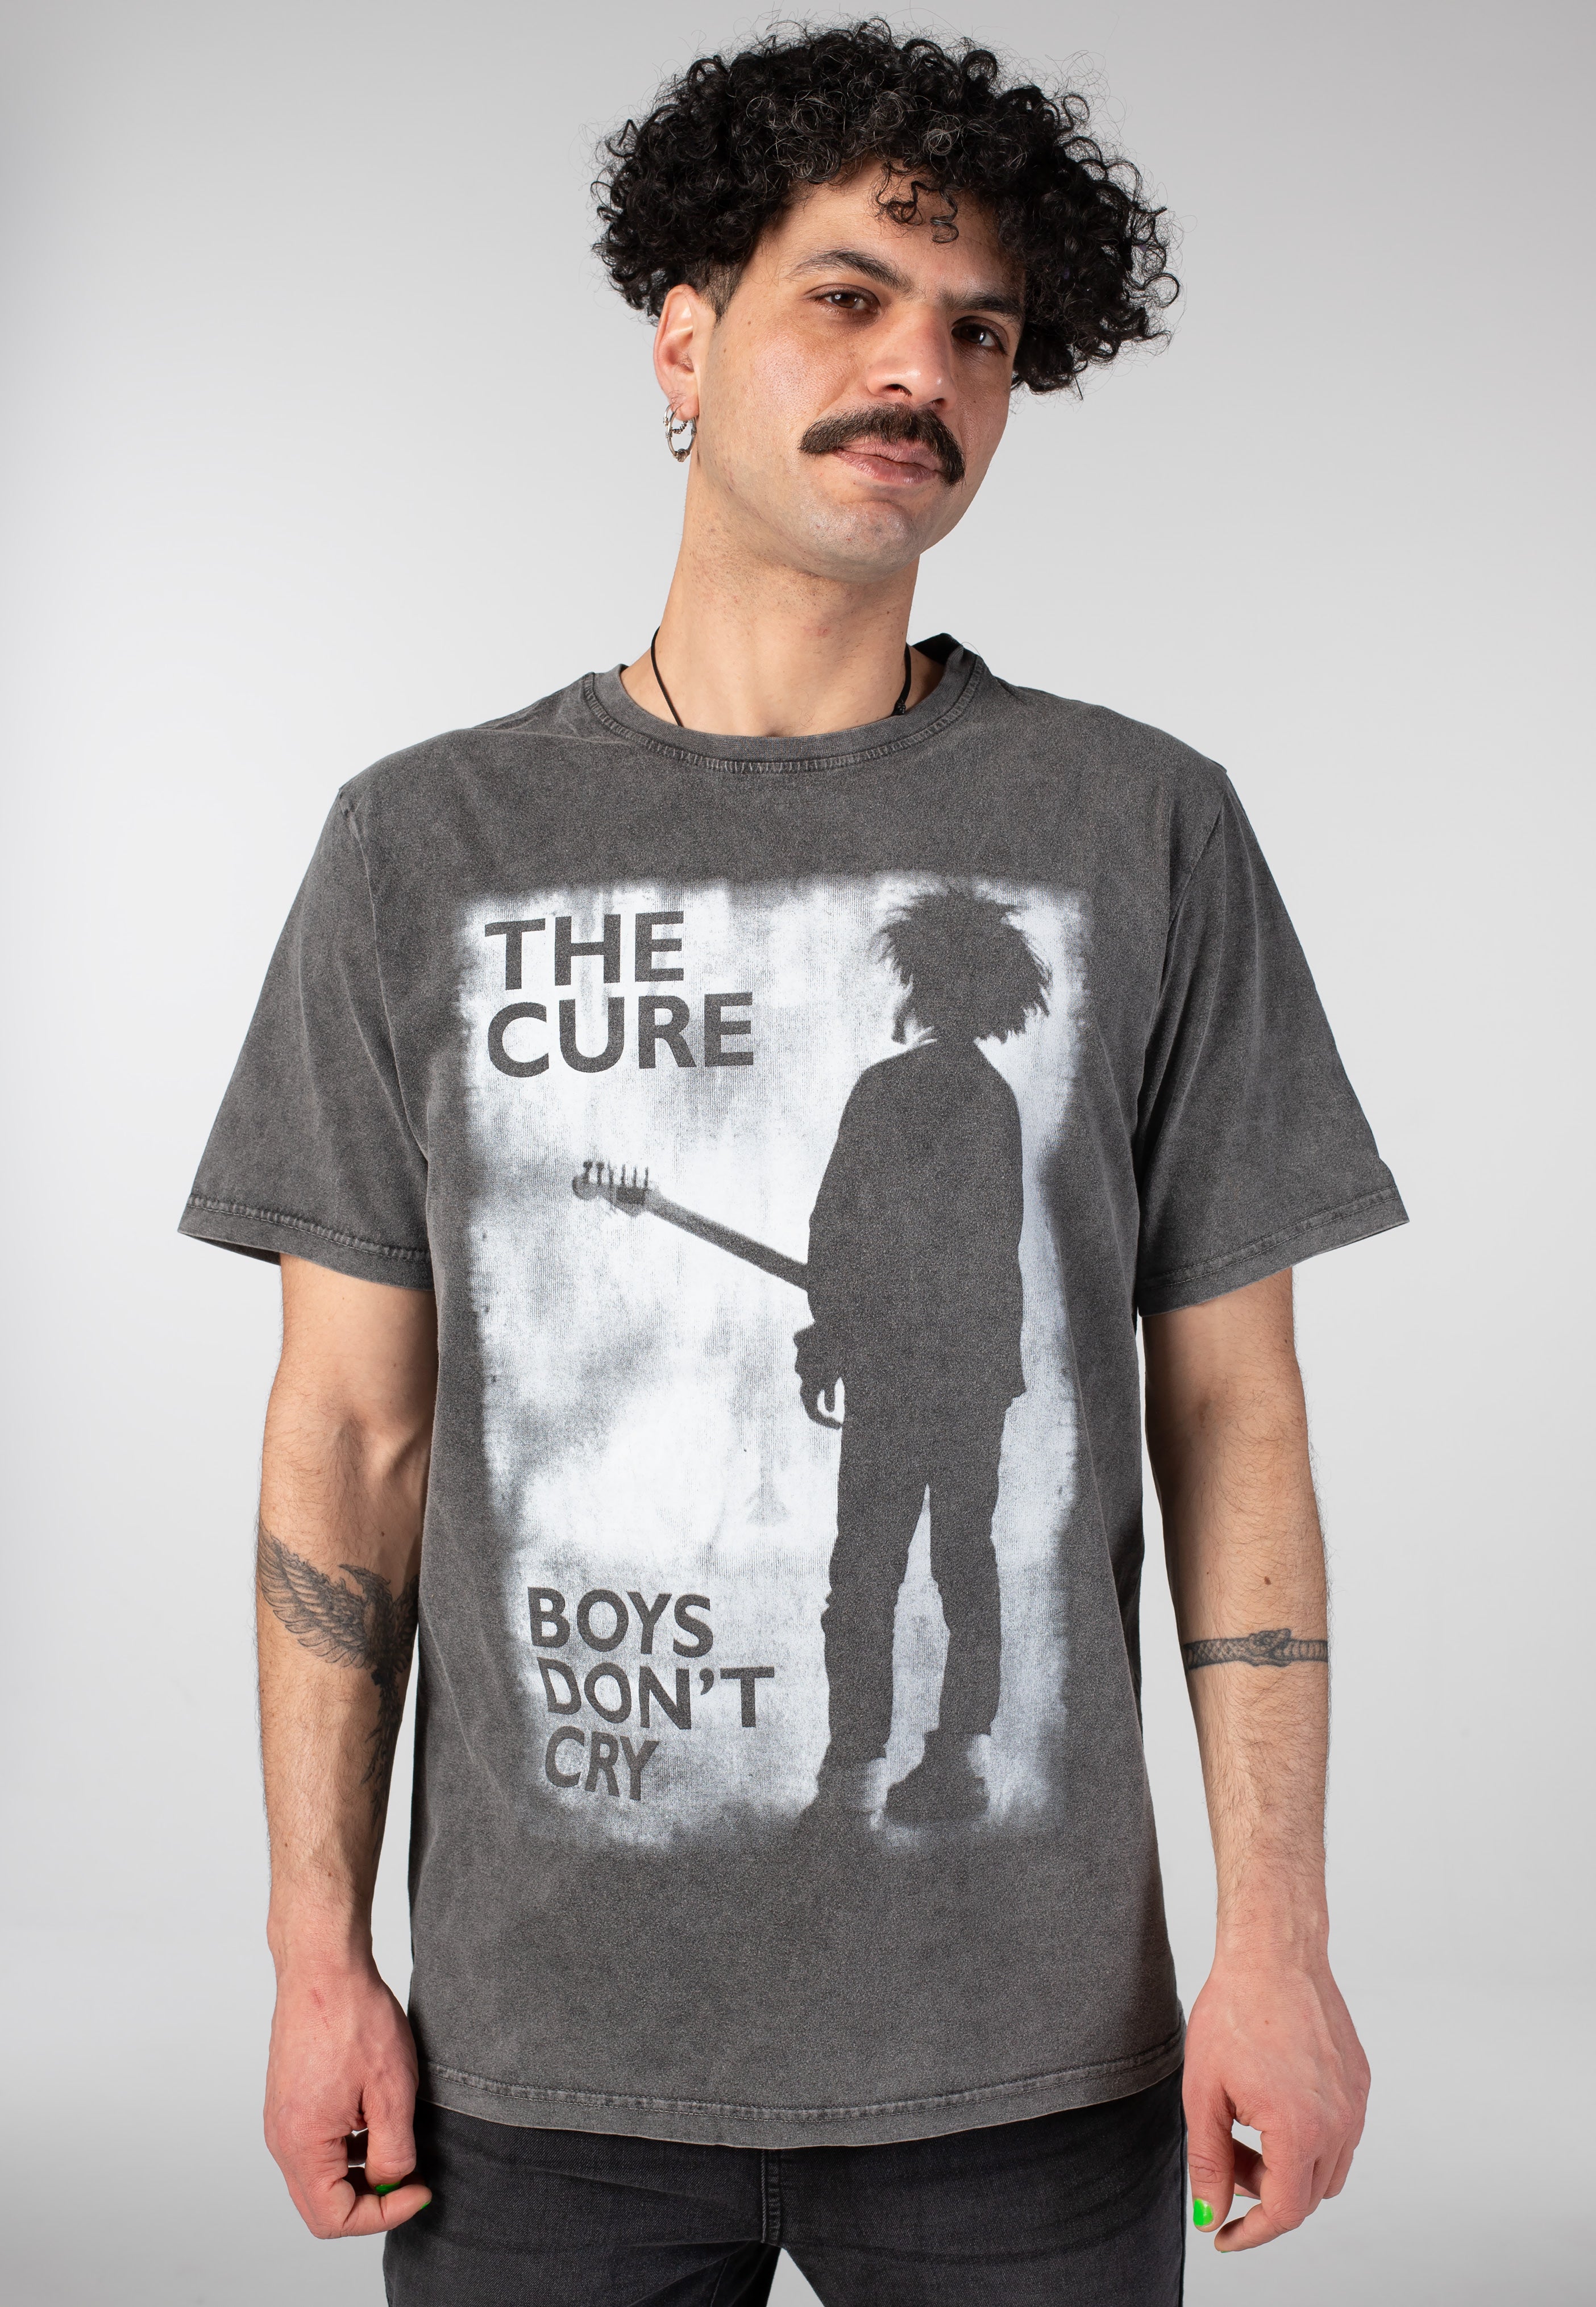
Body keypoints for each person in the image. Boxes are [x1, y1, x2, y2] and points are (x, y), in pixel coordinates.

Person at [181, 23, 1404, 2305]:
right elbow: (348, 1436)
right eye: (847, 297)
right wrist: (314, 1958)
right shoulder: (422, 845)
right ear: (682, 339)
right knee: (869, 1581)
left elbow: (1234, 1411)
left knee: (923, 1585)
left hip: (1031, 2073)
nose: (917, 369)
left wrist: (1280, 1945)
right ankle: (871, 1743)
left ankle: (912, 1759)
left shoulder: (1140, 826)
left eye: (980, 333)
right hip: (535, 2072)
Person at [798, 887, 1047, 1825]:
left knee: (865, 1570)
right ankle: (962, 1760)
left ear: (923, 983)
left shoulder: (886, 1090)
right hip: (972, 1377)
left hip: (897, 1375)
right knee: (964, 1562)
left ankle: (852, 1778)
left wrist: (832, 1336)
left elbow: (837, 1231)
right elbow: (984, 1250)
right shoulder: (996, 1101)